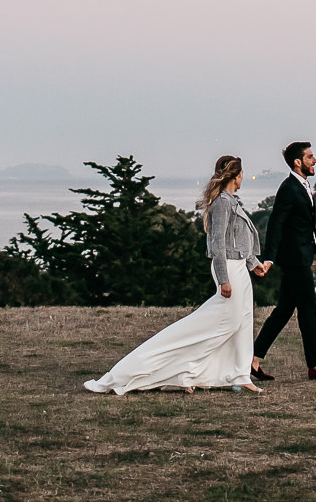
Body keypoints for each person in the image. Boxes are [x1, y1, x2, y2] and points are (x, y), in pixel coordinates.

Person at [83, 155, 271, 395]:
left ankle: (240, 373)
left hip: (240, 267)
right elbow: (217, 244)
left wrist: (254, 264)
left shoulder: (231, 201)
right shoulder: (223, 203)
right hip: (229, 268)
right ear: (237, 175)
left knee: (243, 322)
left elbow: (237, 241)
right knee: (227, 323)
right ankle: (183, 369)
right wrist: (224, 278)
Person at [252, 141, 316, 381]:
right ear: (298, 162)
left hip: (302, 255)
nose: (315, 161)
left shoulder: (302, 185)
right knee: (308, 308)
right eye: (310, 157)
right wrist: (270, 258)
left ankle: (252, 360)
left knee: (284, 310)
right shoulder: (289, 188)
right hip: (294, 259)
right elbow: (276, 224)